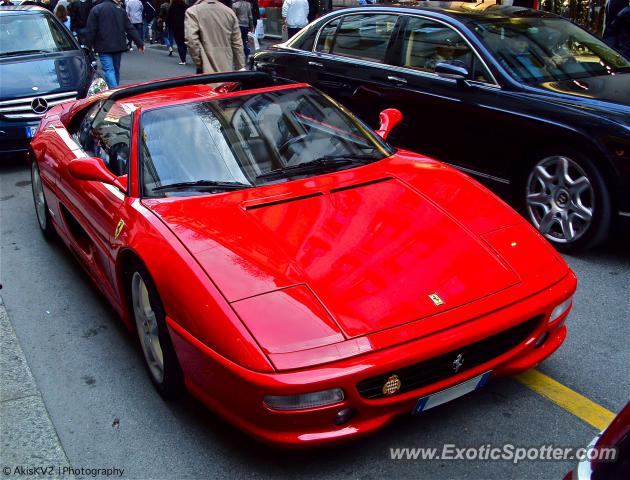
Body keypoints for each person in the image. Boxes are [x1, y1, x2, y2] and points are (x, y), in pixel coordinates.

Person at [84, 0, 145, 88]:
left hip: (103, 44)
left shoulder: (96, 9)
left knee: (109, 70)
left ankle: (114, 90)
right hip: (118, 44)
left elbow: (91, 30)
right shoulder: (120, 10)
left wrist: (87, 46)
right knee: (116, 70)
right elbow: (129, 27)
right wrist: (139, 43)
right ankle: (115, 89)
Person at [184, 0, 245, 74]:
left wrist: (199, 61)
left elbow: (191, 40)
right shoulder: (229, 12)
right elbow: (237, 43)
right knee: (225, 84)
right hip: (226, 65)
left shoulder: (193, 11)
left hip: (205, 67)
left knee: (207, 85)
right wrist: (240, 66)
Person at [166, 0, 187, 64]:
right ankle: (184, 57)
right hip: (185, 27)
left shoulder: (172, 7)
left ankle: (183, 60)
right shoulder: (186, 7)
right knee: (184, 43)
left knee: (179, 43)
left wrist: (169, 26)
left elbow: (169, 18)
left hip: (176, 28)